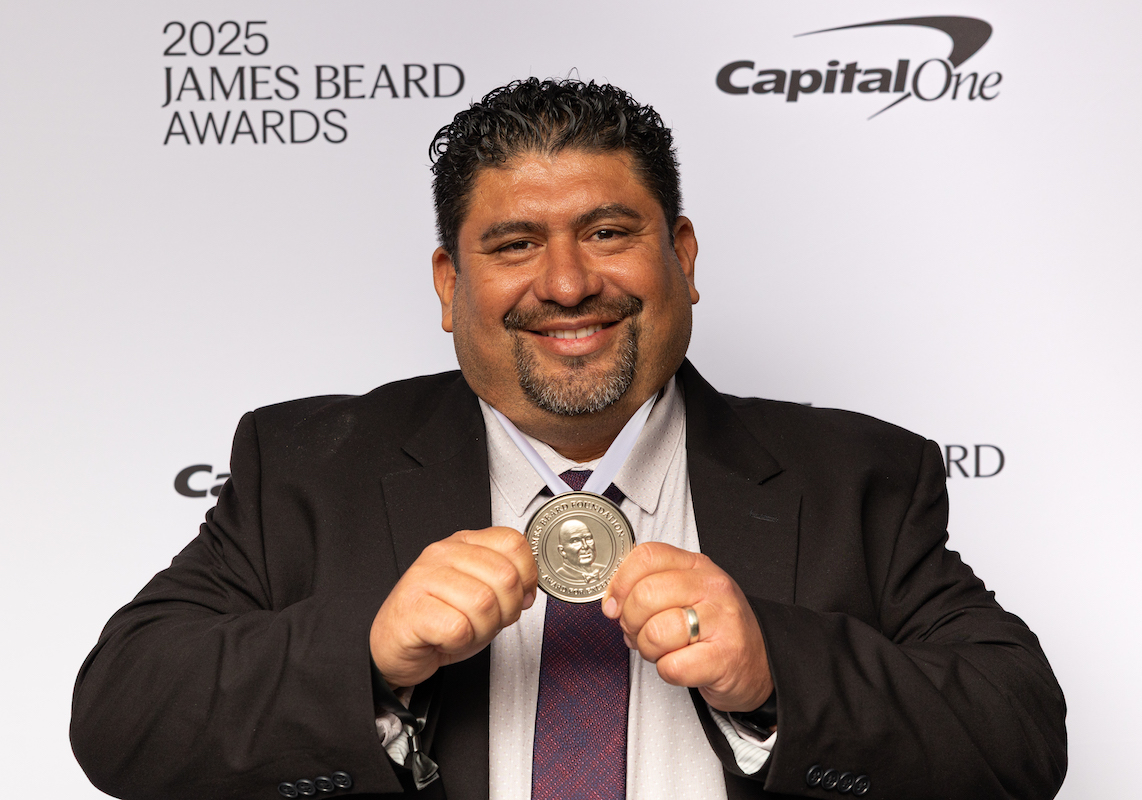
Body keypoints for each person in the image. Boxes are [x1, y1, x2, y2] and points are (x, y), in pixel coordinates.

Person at [71, 78, 1067, 800]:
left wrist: (776, 674)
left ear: (680, 256)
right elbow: (122, 718)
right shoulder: (307, 465)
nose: (565, 282)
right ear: (449, 286)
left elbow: (1019, 735)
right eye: (513, 245)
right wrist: (368, 653)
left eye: (607, 232)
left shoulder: (857, 475)